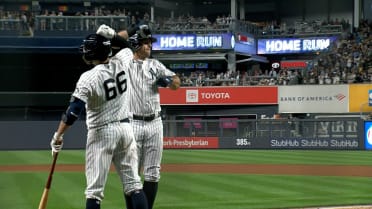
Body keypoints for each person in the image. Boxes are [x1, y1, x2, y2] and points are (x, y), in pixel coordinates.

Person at [49, 28, 148, 209]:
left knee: (94, 192)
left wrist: (58, 136)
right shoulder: (122, 61)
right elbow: (127, 46)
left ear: (91, 53)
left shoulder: (89, 77)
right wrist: (113, 36)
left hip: (102, 133)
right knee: (134, 185)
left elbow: (73, 112)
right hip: (126, 130)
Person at [125, 25, 181, 209]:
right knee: (132, 174)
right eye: (146, 42)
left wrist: (168, 81)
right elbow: (114, 40)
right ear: (136, 44)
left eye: (150, 42)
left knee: (153, 173)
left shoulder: (155, 65)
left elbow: (177, 83)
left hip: (155, 122)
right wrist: (131, 29)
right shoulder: (125, 64)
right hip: (132, 122)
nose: (149, 45)